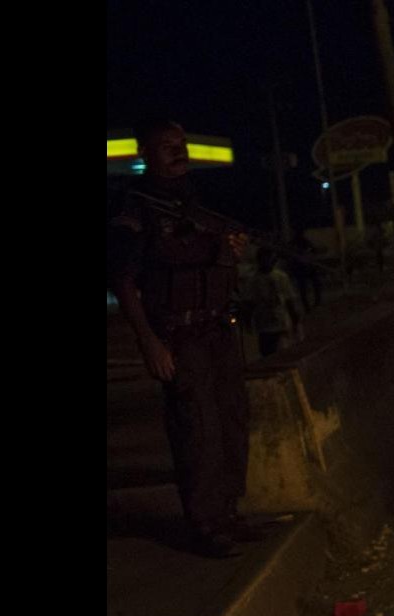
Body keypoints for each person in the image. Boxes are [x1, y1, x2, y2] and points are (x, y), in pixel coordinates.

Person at [108, 119, 257, 558]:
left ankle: (228, 512)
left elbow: (220, 261)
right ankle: (206, 524)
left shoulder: (197, 201)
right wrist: (149, 342)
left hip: (218, 328)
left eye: (181, 144)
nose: (179, 152)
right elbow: (123, 280)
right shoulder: (136, 209)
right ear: (145, 154)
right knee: (198, 430)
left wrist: (232, 251)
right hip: (179, 333)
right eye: (167, 147)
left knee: (231, 420)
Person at [242, 247, 304, 357]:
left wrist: (295, 319)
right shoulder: (253, 280)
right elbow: (249, 302)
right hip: (264, 322)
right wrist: (248, 321)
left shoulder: (280, 277)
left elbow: (289, 300)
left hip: (281, 320)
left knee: (283, 350)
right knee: (268, 352)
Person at [287, 232, 324, 315]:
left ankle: (315, 303)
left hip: (308, 267)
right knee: (303, 288)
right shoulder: (293, 243)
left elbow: (314, 250)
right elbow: (289, 255)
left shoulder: (304, 241)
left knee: (314, 285)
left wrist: (308, 254)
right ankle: (308, 306)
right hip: (300, 268)